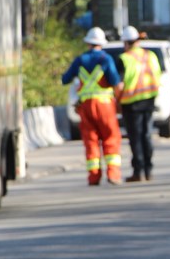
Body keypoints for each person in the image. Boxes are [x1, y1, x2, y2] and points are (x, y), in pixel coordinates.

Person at [61, 27, 123, 185]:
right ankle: (113, 174)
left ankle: (94, 177)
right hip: (105, 105)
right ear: (101, 43)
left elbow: (65, 79)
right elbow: (115, 81)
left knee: (91, 140)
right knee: (110, 137)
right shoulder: (106, 59)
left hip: (86, 106)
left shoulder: (80, 60)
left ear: (88, 43)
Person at [118, 25, 162, 182]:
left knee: (135, 138)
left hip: (131, 103)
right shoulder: (150, 56)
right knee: (146, 135)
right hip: (149, 100)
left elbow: (120, 84)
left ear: (126, 42)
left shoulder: (124, 59)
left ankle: (138, 171)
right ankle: (148, 170)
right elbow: (157, 75)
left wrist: (116, 99)